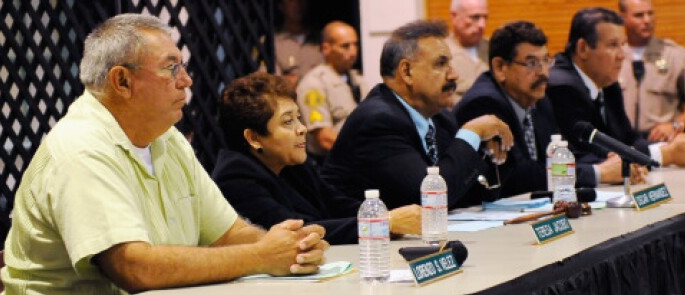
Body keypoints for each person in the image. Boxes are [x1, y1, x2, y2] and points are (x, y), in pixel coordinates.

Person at [0, 14, 329, 295]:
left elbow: (228, 233)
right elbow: (133, 267)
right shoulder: (80, 148)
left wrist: (291, 249)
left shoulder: (166, 139)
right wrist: (260, 256)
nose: (186, 80)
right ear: (122, 81)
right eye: (172, 68)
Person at [322, 20, 514, 210]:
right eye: (441, 63)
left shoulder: (439, 118)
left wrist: (486, 152)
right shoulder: (377, 121)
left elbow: (470, 194)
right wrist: (471, 133)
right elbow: (432, 200)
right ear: (406, 71)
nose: (453, 75)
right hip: (358, 238)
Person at [213, 72, 421, 245]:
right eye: (288, 122)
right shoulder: (235, 178)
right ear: (254, 138)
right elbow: (297, 232)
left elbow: (336, 204)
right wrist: (384, 223)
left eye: (299, 118)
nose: (302, 129)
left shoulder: (290, 163)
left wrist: (390, 216)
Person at [455, 21, 643, 193]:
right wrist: (598, 172)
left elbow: (560, 154)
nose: (543, 72)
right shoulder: (484, 104)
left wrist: (613, 161)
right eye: (531, 63)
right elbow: (517, 175)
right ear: (500, 67)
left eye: (546, 60)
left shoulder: (537, 97)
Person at [546, 7, 685, 171]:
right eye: (613, 45)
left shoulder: (607, 82)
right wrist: (665, 154)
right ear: (583, 48)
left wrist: (671, 144)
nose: (622, 55)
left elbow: (628, 140)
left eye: (623, 45)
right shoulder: (562, 86)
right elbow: (587, 155)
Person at [618, 0, 685, 142]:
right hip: (620, 143)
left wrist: (675, 125)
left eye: (650, 14)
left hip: (662, 143)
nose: (647, 20)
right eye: (639, 15)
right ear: (623, 18)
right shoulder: (612, 55)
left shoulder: (676, 55)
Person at [297, 21, 364, 161]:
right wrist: (365, 154)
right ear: (326, 48)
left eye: (355, 44)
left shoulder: (357, 80)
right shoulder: (314, 84)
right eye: (345, 46)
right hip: (331, 164)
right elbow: (324, 138)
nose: (353, 52)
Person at [447, 0, 490, 105]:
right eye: (475, 17)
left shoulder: (494, 49)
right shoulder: (442, 53)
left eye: (485, 18)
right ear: (454, 16)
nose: (482, 25)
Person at [273, 0, 323, 85]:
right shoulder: (272, 42)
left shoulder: (321, 39)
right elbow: (271, 82)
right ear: (281, 5)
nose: (299, 4)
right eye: (292, 1)